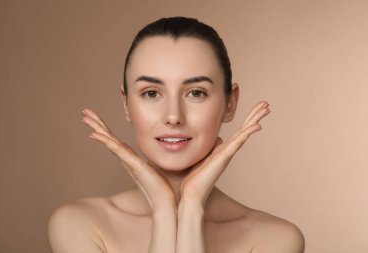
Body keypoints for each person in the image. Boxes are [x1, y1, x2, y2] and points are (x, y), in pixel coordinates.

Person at [48, 17, 305, 253]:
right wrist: (163, 209)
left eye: (196, 93)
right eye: (151, 93)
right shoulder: (79, 224)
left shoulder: (275, 239)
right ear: (126, 105)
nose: (173, 116)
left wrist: (192, 206)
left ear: (230, 103)